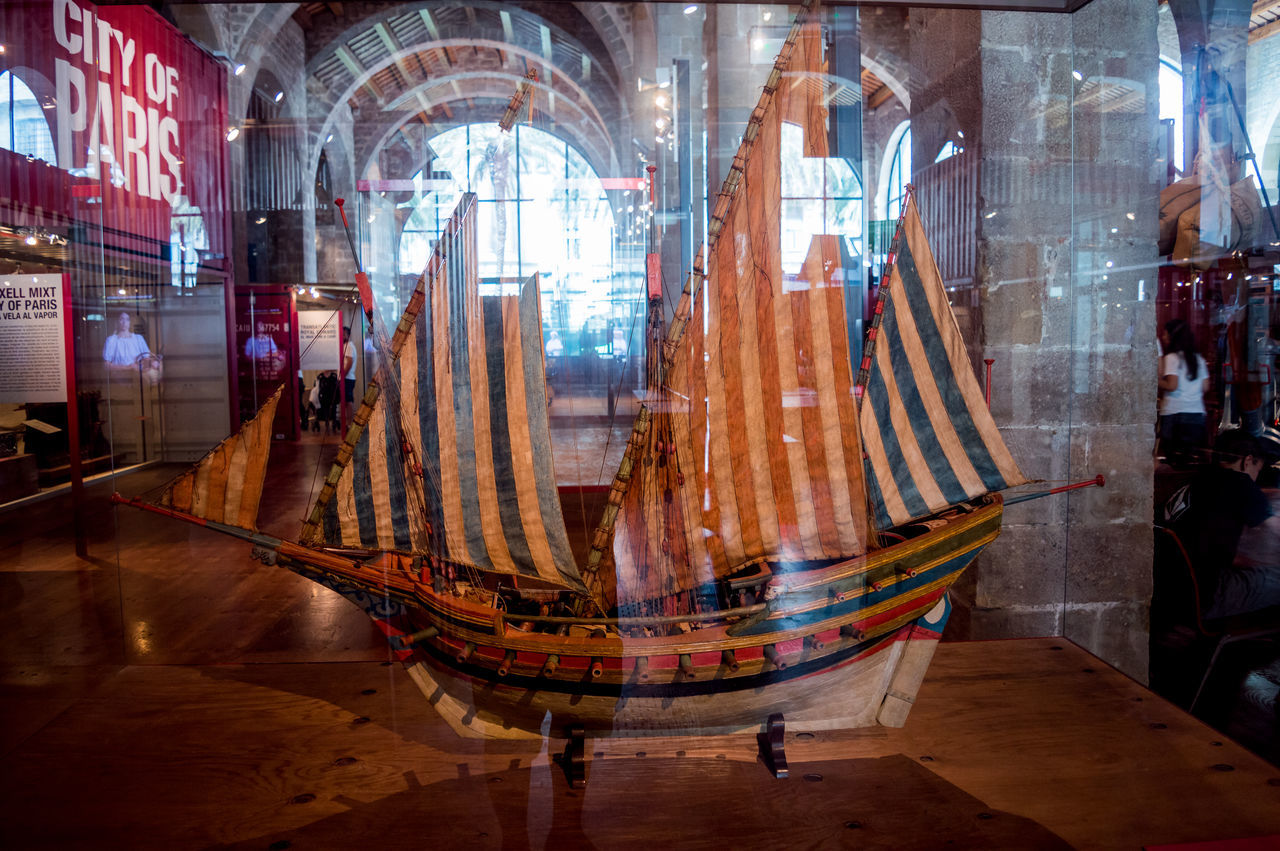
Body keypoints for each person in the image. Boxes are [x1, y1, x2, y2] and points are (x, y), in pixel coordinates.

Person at [1164, 429, 1280, 619]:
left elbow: (1206, 550)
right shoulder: (1241, 482)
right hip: (1208, 596)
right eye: (1257, 470)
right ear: (1247, 461)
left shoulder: (1195, 480)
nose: (1255, 478)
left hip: (1172, 594)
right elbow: (1275, 529)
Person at [1158, 318, 1208, 466]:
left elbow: (1172, 385)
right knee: (1191, 461)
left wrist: (1153, 381)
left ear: (1173, 337)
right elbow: (1205, 386)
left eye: (1166, 334)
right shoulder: (1199, 359)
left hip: (1175, 414)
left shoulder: (1172, 358)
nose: (1163, 338)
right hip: (1196, 414)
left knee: (1174, 462)